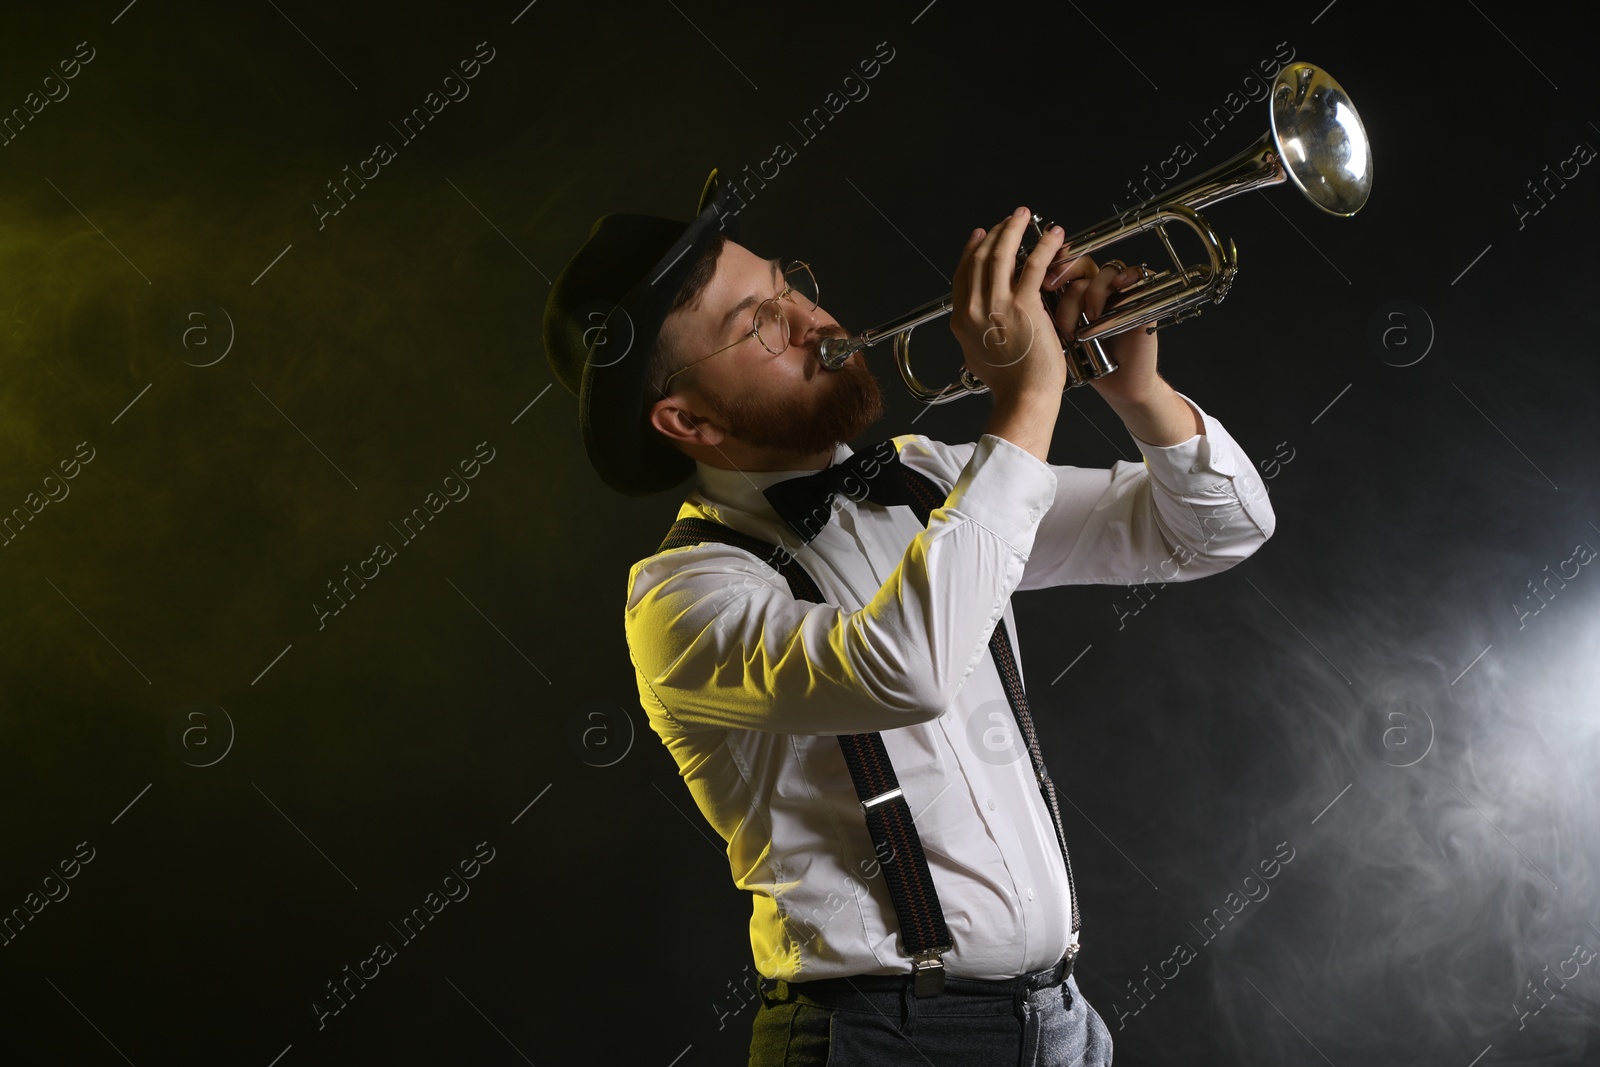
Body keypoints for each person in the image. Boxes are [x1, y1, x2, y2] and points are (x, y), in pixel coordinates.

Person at [543, 169, 1276, 1066]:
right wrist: (1030, 399)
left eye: (787, 283)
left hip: (1063, 1026)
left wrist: (1136, 393)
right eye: (757, 322)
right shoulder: (682, 600)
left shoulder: (928, 477)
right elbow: (906, 669)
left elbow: (1217, 530)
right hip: (877, 1040)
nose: (812, 318)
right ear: (685, 418)